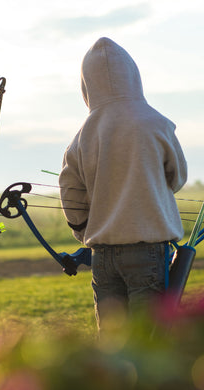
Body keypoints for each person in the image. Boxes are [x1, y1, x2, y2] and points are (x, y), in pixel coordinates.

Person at [59, 37, 187, 333]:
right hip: (147, 253)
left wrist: (83, 229)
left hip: (102, 254)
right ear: (133, 76)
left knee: (114, 344)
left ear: (86, 85)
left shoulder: (82, 136)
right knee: (149, 340)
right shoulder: (156, 123)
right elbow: (177, 177)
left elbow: (70, 191)